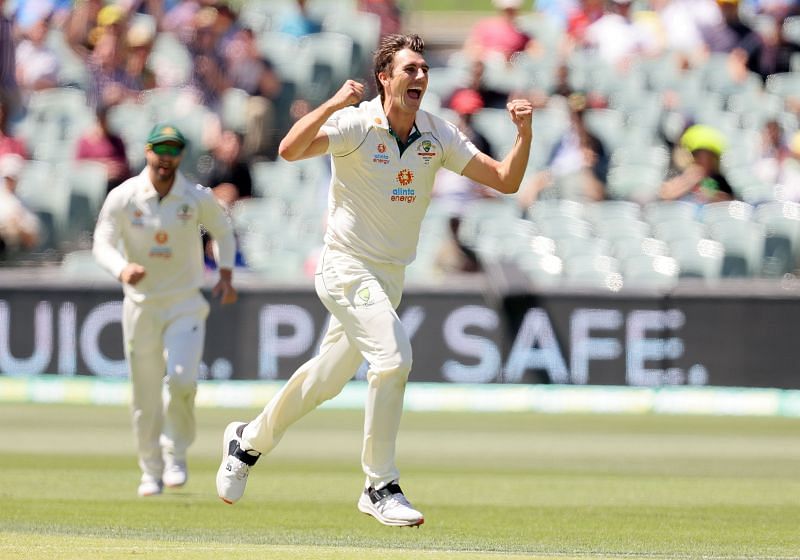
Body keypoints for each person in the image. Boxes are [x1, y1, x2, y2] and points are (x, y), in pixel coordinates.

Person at [215, 33, 533, 527]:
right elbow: (289, 149)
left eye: (425, 70)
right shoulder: (357, 124)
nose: (421, 77)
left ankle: (247, 442)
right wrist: (335, 102)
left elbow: (506, 181)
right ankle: (379, 483)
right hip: (344, 266)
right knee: (394, 358)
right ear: (384, 78)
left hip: (388, 276)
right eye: (409, 69)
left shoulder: (437, 134)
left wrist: (524, 136)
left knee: (324, 380)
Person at [92, 123, 238, 497]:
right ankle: (150, 470)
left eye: (174, 150)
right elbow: (102, 243)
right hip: (141, 305)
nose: (166, 158)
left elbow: (222, 229)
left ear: (181, 156)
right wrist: (122, 269)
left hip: (185, 302)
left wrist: (224, 273)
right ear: (147, 151)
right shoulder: (125, 196)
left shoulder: (194, 196)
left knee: (182, 381)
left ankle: (176, 454)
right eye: (161, 149)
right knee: (144, 394)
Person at [660, 124, 734, 205]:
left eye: (708, 157)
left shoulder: (720, 180)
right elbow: (665, 195)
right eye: (699, 156)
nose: (704, 161)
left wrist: (710, 195)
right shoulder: (678, 174)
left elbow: (730, 204)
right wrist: (688, 181)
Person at [0, 153, 41, 258]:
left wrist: (17, 226)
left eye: (12, 178)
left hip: (14, 248)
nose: (9, 182)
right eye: (7, 178)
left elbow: (32, 237)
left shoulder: (25, 202)